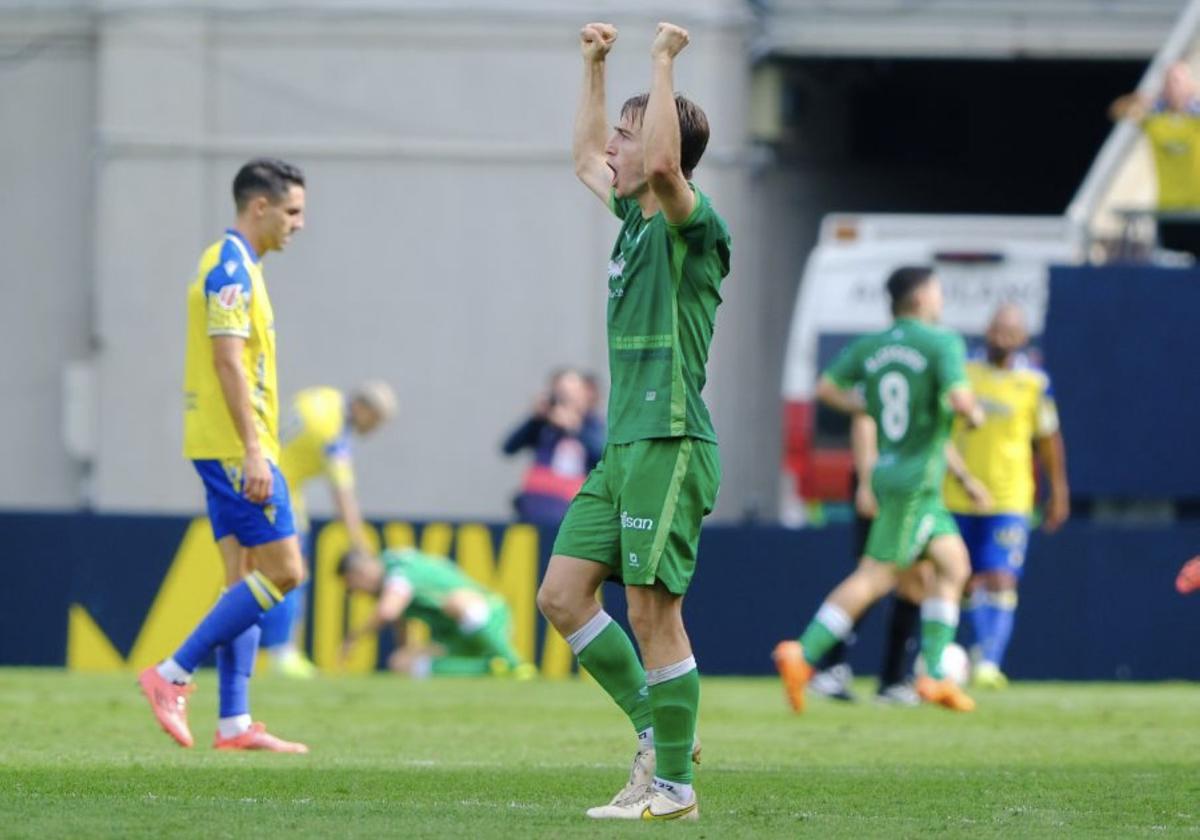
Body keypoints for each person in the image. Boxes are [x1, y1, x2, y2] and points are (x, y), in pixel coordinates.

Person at [535, 20, 730, 822]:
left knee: (654, 612)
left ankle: (675, 789)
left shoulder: (695, 226)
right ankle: (659, 737)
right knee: (562, 596)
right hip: (622, 448)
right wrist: (595, 67)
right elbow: (587, 158)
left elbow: (654, 160)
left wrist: (660, 61)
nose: (612, 151)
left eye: (627, 134)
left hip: (671, 440)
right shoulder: (634, 223)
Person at [138, 159, 309, 752]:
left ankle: (234, 721)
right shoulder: (229, 268)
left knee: (242, 578)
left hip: (225, 447)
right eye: (292, 211)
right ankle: (171, 673)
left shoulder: (240, 266)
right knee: (286, 572)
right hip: (238, 451)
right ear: (258, 207)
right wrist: (255, 452)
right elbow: (227, 360)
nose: (300, 223)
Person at [773, 266, 984, 715]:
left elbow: (826, 387)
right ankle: (804, 654)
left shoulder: (872, 347)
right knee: (877, 576)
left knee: (953, 563)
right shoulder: (941, 342)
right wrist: (973, 413)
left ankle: (934, 676)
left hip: (899, 474)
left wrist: (860, 402)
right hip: (914, 482)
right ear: (924, 296)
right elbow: (961, 398)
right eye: (939, 290)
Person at [810, 415, 989, 705]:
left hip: (911, 492)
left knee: (917, 580)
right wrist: (867, 482)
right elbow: (864, 419)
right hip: (890, 489)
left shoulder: (923, 383)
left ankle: (893, 679)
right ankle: (827, 663)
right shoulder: (901, 372)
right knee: (876, 578)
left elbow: (935, 436)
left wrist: (963, 478)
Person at [948, 303, 1069, 689]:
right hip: (956, 495)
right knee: (961, 579)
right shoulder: (963, 373)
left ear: (1022, 338)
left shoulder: (1034, 382)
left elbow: (1048, 440)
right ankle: (956, 655)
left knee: (1001, 577)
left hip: (1009, 497)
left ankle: (988, 662)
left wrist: (1058, 490)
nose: (1000, 336)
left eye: (1009, 331)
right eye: (995, 328)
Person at [257, 382, 398, 677]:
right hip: (280, 495)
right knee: (293, 572)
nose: (373, 430)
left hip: (262, 479)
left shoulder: (324, 397)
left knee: (261, 572)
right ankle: (283, 652)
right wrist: (361, 545)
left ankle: (270, 649)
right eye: (375, 421)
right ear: (362, 408)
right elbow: (343, 497)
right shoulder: (333, 435)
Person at [339, 548, 533, 678]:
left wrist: (352, 638)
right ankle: (489, 668)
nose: (356, 593)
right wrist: (407, 649)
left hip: (490, 616)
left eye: (352, 587)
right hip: (454, 636)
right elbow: (399, 620)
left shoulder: (398, 569)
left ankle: (514, 662)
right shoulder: (390, 577)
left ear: (360, 573)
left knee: (456, 602)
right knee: (400, 663)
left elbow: (387, 612)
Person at [501, 369, 601, 527]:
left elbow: (602, 456)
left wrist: (575, 428)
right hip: (534, 509)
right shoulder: (543, 425)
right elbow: (508, 448)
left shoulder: (593, 426)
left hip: (572, 513)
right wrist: (535, 418)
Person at [1110, 62, 1200, 212]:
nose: (1175, 89)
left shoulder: (1196, 117)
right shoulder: (1155, 119)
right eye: (1170, 83)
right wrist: (1141, 99)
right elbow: (1116, 111)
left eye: (1179, 82)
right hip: (1168, 207)